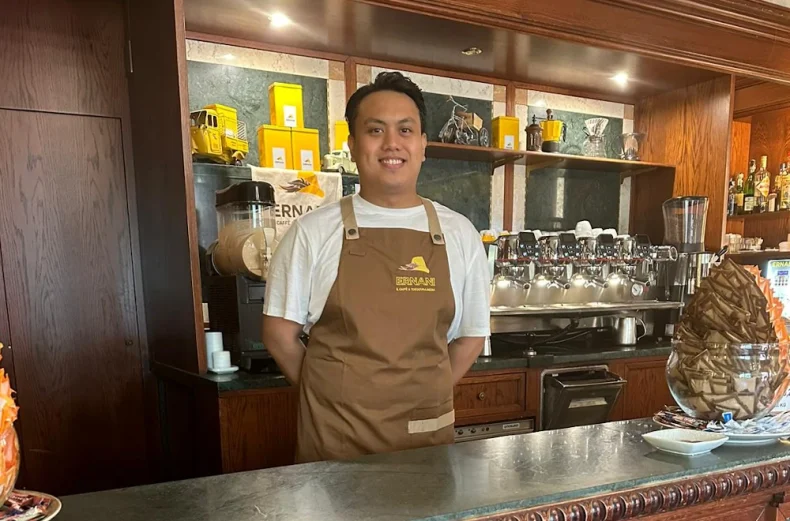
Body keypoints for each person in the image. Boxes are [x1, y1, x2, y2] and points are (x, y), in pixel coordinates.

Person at [262, 71, 490, 463]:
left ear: (422, 145)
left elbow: (471, 338)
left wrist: (424, 394)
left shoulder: (459, 233)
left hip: (425, 442)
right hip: (335, 444)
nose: (392, 144)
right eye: (375, 130)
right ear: (352, 144)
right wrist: (331, 397)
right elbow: (279, 335)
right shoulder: (312, 232)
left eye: (405, 130)